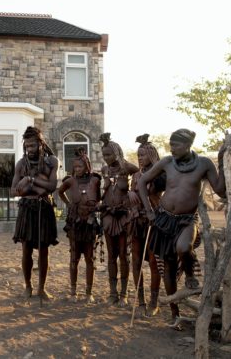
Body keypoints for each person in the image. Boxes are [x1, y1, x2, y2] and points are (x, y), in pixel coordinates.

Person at [138, 128, 226, 322]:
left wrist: (222, 161)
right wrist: (148, 211)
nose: (172, 149)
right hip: (163, 217)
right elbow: (142, 182)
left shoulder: (203, 163)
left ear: (188, 145)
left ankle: (189, 274)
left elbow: (220, 190)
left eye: (176, 145)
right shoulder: (167, 162)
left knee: (183, 247)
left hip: (187, 219)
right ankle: (175, 314)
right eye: (170, 145)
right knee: (167, 268)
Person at [11, 126, 59, 301]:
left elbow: (52, 186)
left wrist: (29, 180)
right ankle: (28, 286)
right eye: (27, 146)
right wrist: (34, 187)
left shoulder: (52, 161)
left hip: (44, 208)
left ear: (41, 144)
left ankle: (41, 288)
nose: (30, 149)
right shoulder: (21, 164)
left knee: (44, 251)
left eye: (33, 145)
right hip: (26, 209)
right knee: (26, 250)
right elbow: (13, 191)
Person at [99, 133, 139, 307]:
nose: (106, 158)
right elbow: (104, 192)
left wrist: (132, 195)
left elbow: (139, 181)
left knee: (124, 255)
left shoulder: (129, 168)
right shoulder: (104, 170)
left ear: (117, 152)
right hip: (108, 216)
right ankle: (112, 293)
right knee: (111, 256)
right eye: (104, 155)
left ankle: (124, 293)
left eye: (108, 154)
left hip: (124, 217)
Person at [58, 147, 101, 303]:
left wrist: (94, 207)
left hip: (89, 223)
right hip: (75, 224)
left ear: (87, 166)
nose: (77, 169)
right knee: (74, 258)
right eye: (75, 167)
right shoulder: (70, 181)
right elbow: (60, 191)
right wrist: (69, 204)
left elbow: (99, 198)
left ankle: (89, 293)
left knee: (90, 258)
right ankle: (73, 292)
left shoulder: (95, 180)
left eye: (80, 167)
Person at [128, 134, 164, 316]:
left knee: (153, 261)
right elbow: (131, 194)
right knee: (135, 261)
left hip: (154, 221)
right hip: (137, 222)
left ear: (151, 155)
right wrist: (130, 194)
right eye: (138, 155)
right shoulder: (135, 175)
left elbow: (158, 192)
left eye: (143, 155)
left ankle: (154, 301)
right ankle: (139, 301)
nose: (140, 159)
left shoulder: (159, 173)